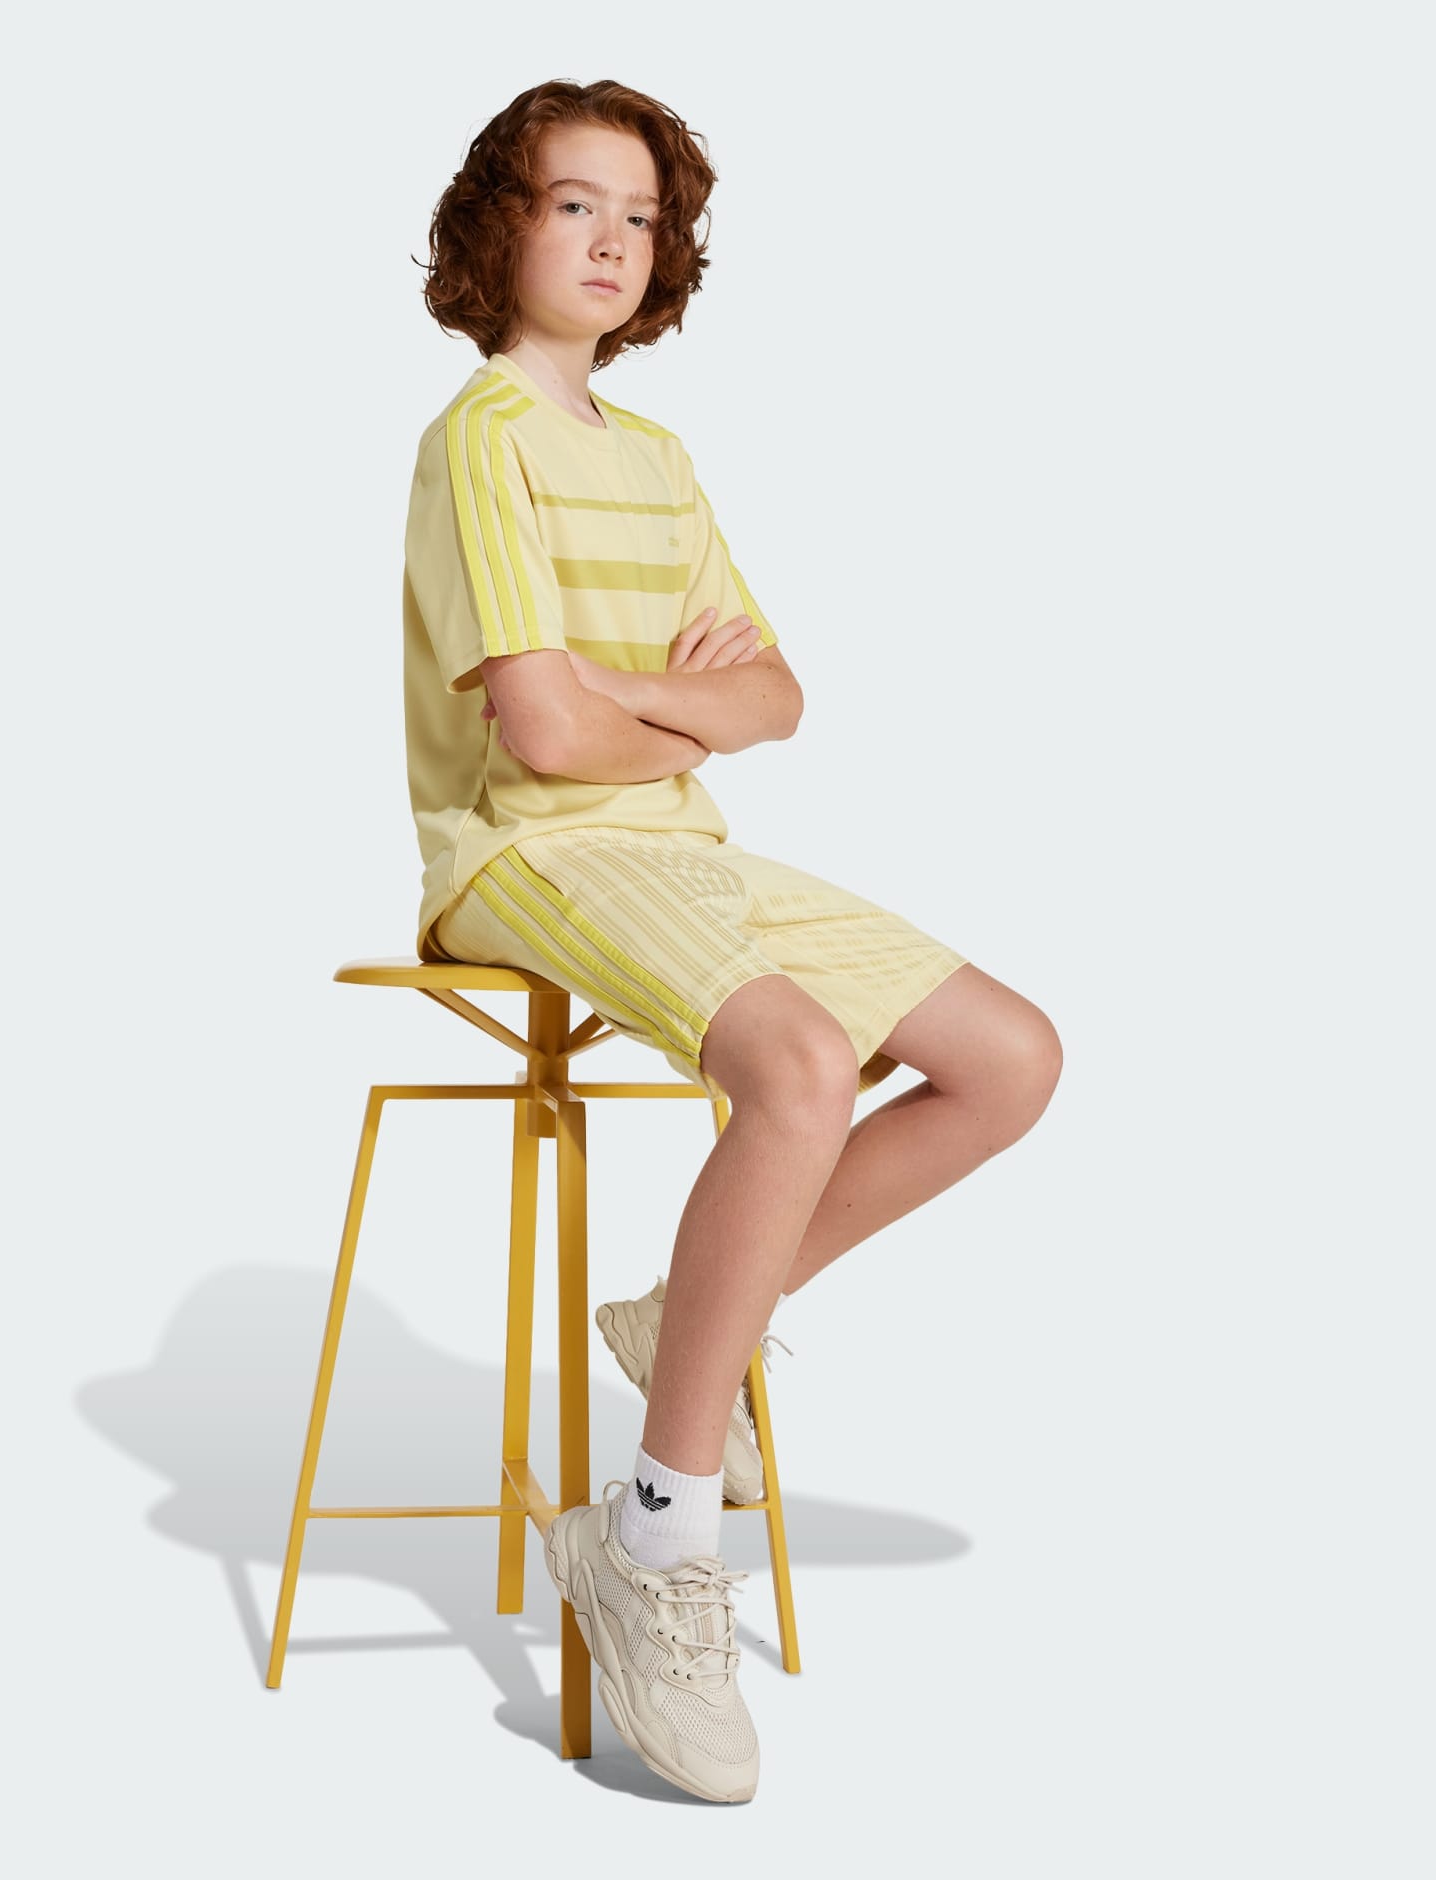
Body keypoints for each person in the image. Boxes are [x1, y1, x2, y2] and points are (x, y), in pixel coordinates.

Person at [402, 80, 1062, 1803]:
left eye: (640, 216)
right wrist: (662, 707)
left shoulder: (661, 462)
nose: (612, 241)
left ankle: (692, 1311)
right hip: (526, 856)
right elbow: (542, 740)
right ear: (501, 226)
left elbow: (778, 698)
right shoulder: (480, 440)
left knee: (1009, 1058)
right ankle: (654, 1537)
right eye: (574, 205)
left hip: (679, 851)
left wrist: (637, 697)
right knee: (798, 1064)